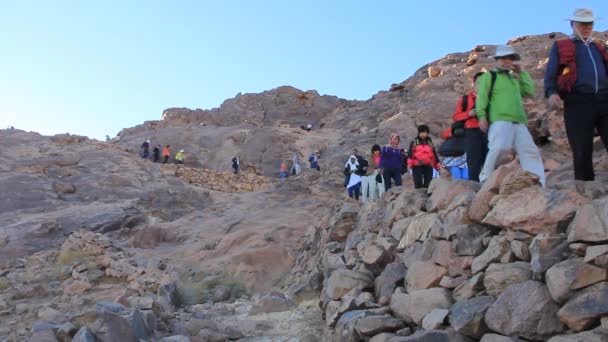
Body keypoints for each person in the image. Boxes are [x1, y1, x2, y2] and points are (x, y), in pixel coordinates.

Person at [544, 8, 608, 181]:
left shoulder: (598, 47)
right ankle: (585, 188)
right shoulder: (561, 46)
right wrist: (551, 92)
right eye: (582, 24)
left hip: (604, 99)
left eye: (590, 24)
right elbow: (551, 72)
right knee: (581, 147)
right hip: (577, 100)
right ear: (573, 25)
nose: (587, 27)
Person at [477, 45, 546, 186]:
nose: (506, 61)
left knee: (530, 151)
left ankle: (539, 182)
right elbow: (482, 97)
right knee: (499, 147)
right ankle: (485, 178)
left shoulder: (514, 78)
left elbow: (528, 91)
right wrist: (482, 116)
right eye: (502, 58)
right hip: (500, 119)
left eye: (509, 58)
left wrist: (522, 74)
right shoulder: (490, 76)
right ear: (496, 60)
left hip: (519, 121)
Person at [451, 72, 488, 182]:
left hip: (487, 130)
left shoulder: (491, 99)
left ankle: (488, 186)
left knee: (488, 159)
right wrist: (468, 114)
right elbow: (456, 117)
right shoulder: (465, 99)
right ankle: (474, 186)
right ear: (474, 83)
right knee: (473, 161)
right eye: (479, 82)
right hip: (471, 131)